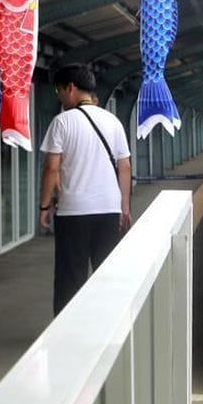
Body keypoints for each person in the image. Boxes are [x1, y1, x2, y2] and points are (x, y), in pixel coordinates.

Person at [39, 64, 132, 315]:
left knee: (70, 277)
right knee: (107, 273)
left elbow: (51, 168)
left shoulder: (62, 122)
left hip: (73, 212)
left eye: (59, 91)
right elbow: (124, 167)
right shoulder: (113, 121)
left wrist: (44, 206)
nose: (59, 96)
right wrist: (124, 207)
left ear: (70, 88)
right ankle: (110, 323)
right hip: (109, 209)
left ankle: (67, 329)